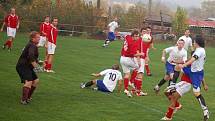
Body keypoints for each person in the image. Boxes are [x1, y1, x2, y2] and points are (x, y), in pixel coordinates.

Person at [178, 35, 209, 121]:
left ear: (197, 43)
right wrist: (182, 64)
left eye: (194, 42)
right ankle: (174, 85)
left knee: (196, 93)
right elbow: (191, 59)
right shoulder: (199, 50)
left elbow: (193, 59)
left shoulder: (200, 50)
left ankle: (205, 111)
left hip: (196, 74)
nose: (193, 43)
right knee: (178, 67)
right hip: (192, 71)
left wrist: (184, 65)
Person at [16, 31, 43, 105]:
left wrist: (38, 61)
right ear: (32, 38)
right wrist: (37, 67)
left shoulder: (32, 45)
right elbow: (30, 56)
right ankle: (23, 100)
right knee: (29, 82)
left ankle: (28, 97)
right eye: (37, 38)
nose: (39, 39)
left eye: (39, 37)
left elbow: (32, 56)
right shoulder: (32, 45)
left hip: (27, 66)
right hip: (23, 66)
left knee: (36, 80)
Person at [120, 30, 143, 97]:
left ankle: (126, 89)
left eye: (138, 36)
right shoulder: (133, 43)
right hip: (127, 59)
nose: (137, 37)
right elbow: (133, 54)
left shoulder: (127, 37)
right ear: (133, 36)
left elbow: (125, 36)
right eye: (136, 36)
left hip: (122, 58)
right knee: (138, 66)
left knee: (127, 74)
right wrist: (141, 53)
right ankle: (131, 81)